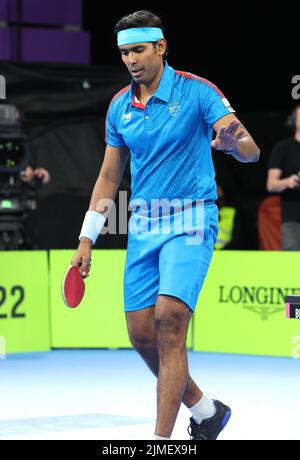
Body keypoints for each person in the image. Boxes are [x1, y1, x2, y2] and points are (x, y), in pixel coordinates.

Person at [71, 10, 260, 440]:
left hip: (192, 216)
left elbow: (250, 149)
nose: (131, 59)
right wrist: (87, 237)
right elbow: (108, 176)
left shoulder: (198, 92)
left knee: (169, 319)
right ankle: (208, 411)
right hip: (143, 223)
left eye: (138, 49)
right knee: (141, 334)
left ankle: (161, 442)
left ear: (161, 46)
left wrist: (232, 146)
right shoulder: (120, 105)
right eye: (123, 52)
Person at [267, 105, 300, 250]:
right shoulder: (283, 148)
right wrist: (289, 181)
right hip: (292, 218)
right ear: (294, 121)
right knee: (292, 264)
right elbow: (271, 184)